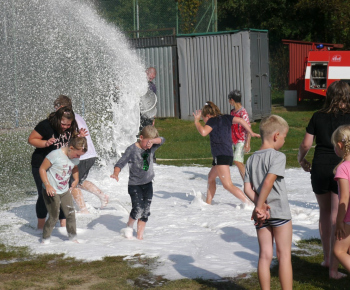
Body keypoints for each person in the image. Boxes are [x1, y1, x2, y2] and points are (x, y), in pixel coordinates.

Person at [298, 81, 350, 279]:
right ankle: (335, 265)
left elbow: (306, 143)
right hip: (343, 165)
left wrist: (301, 159)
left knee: (325, 212)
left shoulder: (318, 115)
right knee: (339, 214)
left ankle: (328, 258)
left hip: (320, 166)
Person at [244, 115, 293, 290]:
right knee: (284, 255)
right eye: (284, 137)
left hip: (261, 216)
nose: (284, 141)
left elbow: (247, 189)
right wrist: (260, 206)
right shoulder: (278, 157)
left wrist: (259, 207)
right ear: (276, 136)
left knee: (264, 255)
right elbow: (268, 182)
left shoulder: (251, 159)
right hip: (279, 211)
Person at [193, 101, 260, 205]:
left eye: (203, 119)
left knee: (227, 185)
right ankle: (208, 203)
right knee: (211, 177)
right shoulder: (227, 118)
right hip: (227, 153)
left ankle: (249, 204)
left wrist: (197, 122)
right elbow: (242, 121)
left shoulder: (212, 121)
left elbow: (203, 132)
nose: (204, 121)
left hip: (220, 155)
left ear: (208, 116)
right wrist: (251, 132)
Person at [53, 95, 109, 213]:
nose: (55, 109)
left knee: (72, 182)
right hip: (89, 155)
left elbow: (71, 137)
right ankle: (102, 196)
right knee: (80, 181)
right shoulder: (76, 116)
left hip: (81, 155)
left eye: (56, 106)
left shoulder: (69, 118)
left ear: (62, 107)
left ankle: (83, 209)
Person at [28, 106, 80, 231]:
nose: (65, 127)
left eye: (68, 125)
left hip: (61, 164)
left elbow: (72, 142)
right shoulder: (45, 125)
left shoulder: (72, 125)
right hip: (42, 164)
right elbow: (31, 139)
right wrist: (45, 143)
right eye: (63, 124)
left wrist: (79, 137)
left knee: (63, 192)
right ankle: (40, 227)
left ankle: (62, 226)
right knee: (44, 194)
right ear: (57, 119)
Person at [110, 125, 165, 240]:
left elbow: (163, 140)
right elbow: (121, 162)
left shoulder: (151, 147)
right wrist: (116, 173)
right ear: (141, 137)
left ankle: (140, 237)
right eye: (147, 142)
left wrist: (152, 141)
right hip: (135, 185)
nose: (149, 146)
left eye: (151, 143)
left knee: (145, 211)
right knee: (138, 208)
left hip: (148, 183)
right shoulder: (132, 149)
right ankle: (129, 226)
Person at [39, 137, 87, 244]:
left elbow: (74, 167)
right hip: (51, 190)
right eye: (77, 155)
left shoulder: (74, 156)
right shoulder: (55, 155)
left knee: (70, 213)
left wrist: (76, 179)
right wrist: (47, 185)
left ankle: (73, 238)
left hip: (64, 190)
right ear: (70, 148)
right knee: (54, 216)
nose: (78, 157)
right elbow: (42, 169)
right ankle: (45, 239)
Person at [333, 125, 350, 274]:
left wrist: (339, 221)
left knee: (339, 251)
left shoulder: (343, 168)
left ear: (340, 145)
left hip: (348, 217)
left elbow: (344, 197)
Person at [228, 90, 251, 181]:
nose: (229, 102)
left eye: (229, 100)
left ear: (232, 100)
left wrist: (247, 143)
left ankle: (248, 180)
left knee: (237, 160)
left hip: (241, 139)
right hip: (233, 139)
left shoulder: (243, 112)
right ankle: (245, 181)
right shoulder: (232, 112)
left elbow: (248, 128)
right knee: (238, 161)